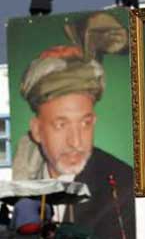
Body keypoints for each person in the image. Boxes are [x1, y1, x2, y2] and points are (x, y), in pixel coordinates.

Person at [12, 46, 135, 239]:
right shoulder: (21, 180)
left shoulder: (125, 188)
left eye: (85, 123)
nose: (76, 142)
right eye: (61, 125)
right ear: (37, 130)